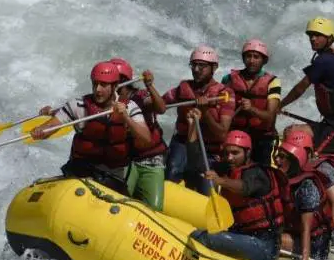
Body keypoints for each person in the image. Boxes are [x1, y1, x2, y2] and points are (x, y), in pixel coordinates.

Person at [30, 62, 152, 195]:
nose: (97, 89)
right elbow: (53, 125)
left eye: (103, 85)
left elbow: (146, 139)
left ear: (115, 86)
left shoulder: (129, 107)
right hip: (80, 170)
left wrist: (126, 118)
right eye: (95, 84)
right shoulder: (78, 105)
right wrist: (40, 131)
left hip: (112, 176)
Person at [187, 119, 286, 260]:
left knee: (205, 238)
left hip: (264, 247)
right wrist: (193, 126)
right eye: (226, 153)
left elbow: (245, 187)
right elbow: (197, 163)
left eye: (235, 153)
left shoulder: (258, 173)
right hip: (242, 235)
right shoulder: (228, 168)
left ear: (248, 152)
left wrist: (220, 181)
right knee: (197, 234)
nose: (230, 157)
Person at [280, 17, 334, 157]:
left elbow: (300, 88)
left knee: (295, 138)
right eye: (311, 35)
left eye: (318, 35)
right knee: (291, 131)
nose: (313, 39)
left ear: (330, 38)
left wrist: (280, 105)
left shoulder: (325, 60)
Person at [163, 45, 235, 195]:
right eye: (193, 65)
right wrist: (148, 91)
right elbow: (160, 105)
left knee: (206, 187)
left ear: (214, 67)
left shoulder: (225, 94)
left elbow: (222, 134)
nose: (196, 69)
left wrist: (205, 111)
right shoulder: (183, 88)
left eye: (202, 66)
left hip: (209, 148)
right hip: (183, 142)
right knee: (173, 170)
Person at [108, 57, 168, 210]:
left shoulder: (140, 96)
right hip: (127, 160)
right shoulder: (107, 101)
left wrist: (149, 86)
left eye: (115, 81)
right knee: (119, 201)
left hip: (151, 159)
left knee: (155, 208)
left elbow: (161, 108)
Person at [274, 141, 334, 260]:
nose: (277, 160)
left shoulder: (307, 186)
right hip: (295, 235)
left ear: (294, 161)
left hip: (315, 243)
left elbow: (306, 229)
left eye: (282, 157)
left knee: (270, 240)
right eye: (277, 156)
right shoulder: (284, 180)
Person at [221, 39, 281, 165]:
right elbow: (219, 108)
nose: (252, 61)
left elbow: (270, 116)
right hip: (236, 132)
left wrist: (251, 108)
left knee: (260, 169)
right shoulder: (228, 79)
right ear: (243, 58)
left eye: (256, 57)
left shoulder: (273, 82)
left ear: (264, 60)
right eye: (248, 56)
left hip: (261, 136)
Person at [283, 127, 334, 239]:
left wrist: (331, 232)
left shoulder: (324, 168)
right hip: (304, 222)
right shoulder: (291, 168)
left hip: (332, 226)